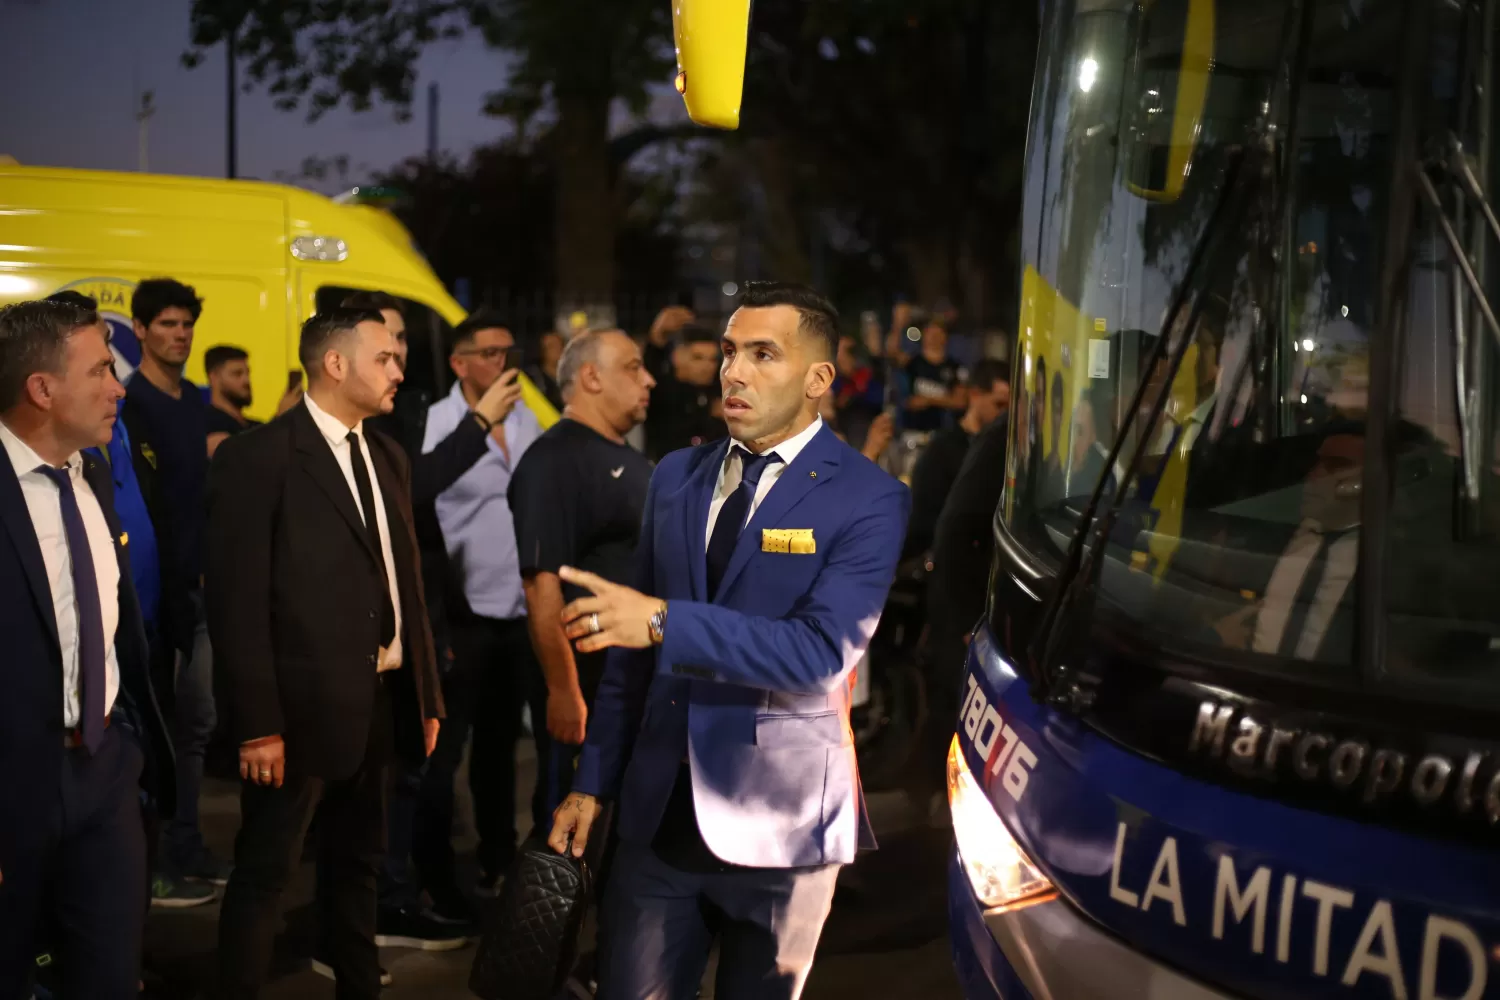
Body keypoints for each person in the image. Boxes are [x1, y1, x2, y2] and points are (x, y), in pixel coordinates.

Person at [548, 281, 909, 998]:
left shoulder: (870, 497)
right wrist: (593, 783)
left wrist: (662, 620)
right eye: (730, 352)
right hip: (658, 816)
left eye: (763, 354)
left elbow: (817, 653)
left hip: (783, 825)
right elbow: (629, 658)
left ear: (817, 380)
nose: (733, 372)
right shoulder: (677, 476)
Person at [208, 307, 444, 1000]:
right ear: (334, 364)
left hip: (378, 702)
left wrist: (424, 693)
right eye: (384, 357)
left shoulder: (388, 453)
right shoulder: (260, 457)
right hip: (295, 711)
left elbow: (408, 584)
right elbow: (237, 604)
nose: (399, 368)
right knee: (266, 872)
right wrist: (258, 723)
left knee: (359, 865)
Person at [332, 291, 519, 957]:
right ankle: (377, 907)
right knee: (404, 775)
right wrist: (477, 428)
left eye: (405, 343)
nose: (401, 357)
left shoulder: (399, 412)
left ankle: (402, 895)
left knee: (427, 767)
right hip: (398, 628)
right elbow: (413, 487)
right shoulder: (406, 421)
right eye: (388, 343)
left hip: (455, 613)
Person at [0, 298, 174, 999]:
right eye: (101, 368)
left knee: (107, 976)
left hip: (105, 773)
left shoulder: (94, 473)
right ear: (42, 389)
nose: (118, 385)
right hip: (13, 786)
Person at [421, 312, 545, 897]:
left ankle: (499, 856)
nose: (503, 363)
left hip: (521, 608)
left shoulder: (527, 419)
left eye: (507, 351)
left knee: (502, 747)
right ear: (460, 362)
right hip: (463, 610)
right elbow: (423, 499)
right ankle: (435, 873)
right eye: (490, 353)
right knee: (445, 750)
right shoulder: (436, 422)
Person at [509, 328, 655, 793]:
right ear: (591, 377)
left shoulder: (626, 457)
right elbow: (541, 584)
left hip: (630, 681)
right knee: (569, 823)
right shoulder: (552, 460)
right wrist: (563, 690)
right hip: (589, 685)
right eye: (633, 367)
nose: (649, 380)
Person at [120, 277, 225, 904]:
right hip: (151, 596)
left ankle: (185, 843)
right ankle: (151, 859)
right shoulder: (128, 405)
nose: (179, 335)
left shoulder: (196, 401)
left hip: (199, 589)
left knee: (196, 726)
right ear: (138, 330)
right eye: (166, 324)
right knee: (153, 730)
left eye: (185, 324)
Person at [904, 359, 1009, 558]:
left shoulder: (1007, 452)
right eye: (999, 404)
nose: (1005, 415)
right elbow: (923, 521)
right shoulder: (943, 448)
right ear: (975, 395)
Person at [644, 322, 724, 460]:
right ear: (677, 357)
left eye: (712, 360)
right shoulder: (661, 392)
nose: (707, 366)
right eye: (697, 358)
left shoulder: (720, 392)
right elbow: (650, 368)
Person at [204, 345, 261, 457]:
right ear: (213, 378)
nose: (246, 380)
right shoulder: (205, 423)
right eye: (237, 374)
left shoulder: (256, 426)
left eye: (247, 373)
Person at [527, 330, 566, 411]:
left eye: (560, 345)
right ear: (543, 351)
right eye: (552, 346)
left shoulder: (571, 376)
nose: (557, 350)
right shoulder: (535, 380)